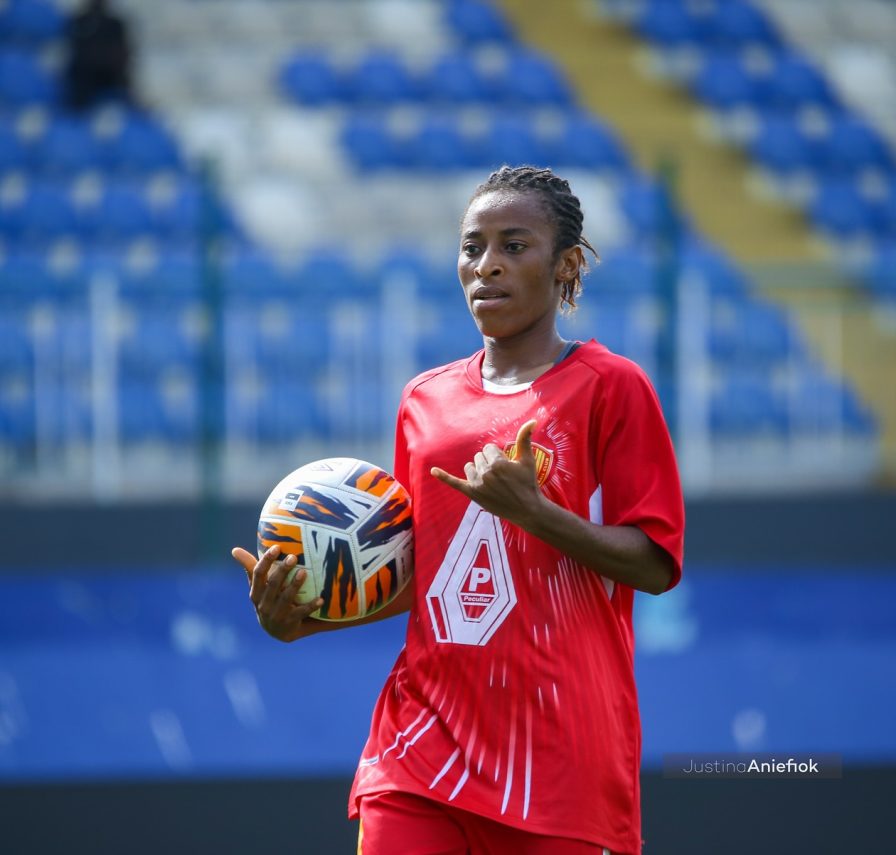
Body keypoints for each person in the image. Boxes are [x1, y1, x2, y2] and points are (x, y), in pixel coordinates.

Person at [232, 165, 685, 854]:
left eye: (513, 245)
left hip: (561, 759)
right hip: (421, 746)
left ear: (564, 264)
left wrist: (537, 515)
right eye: (472, 247)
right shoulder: (424, 400)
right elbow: (441, 577)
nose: (487, 266)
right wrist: (308, 616)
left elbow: (655, 564)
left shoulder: (611, 387)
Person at [64, 0, 136, 111]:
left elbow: (124, 50)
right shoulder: (79, 22)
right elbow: (74, 49)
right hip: (85, 72)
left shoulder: (115, 24)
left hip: (110, 72)